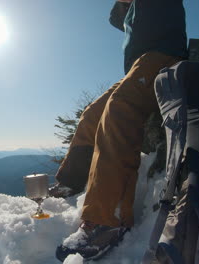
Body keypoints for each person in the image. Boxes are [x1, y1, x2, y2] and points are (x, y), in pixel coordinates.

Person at [52, 0, 188, 261]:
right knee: (91, 115)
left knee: (119, 108)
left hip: (165, 56)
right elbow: (115, 18)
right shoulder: (129, 10)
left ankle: (108, 219)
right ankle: (72, 181)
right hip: (137, 67)